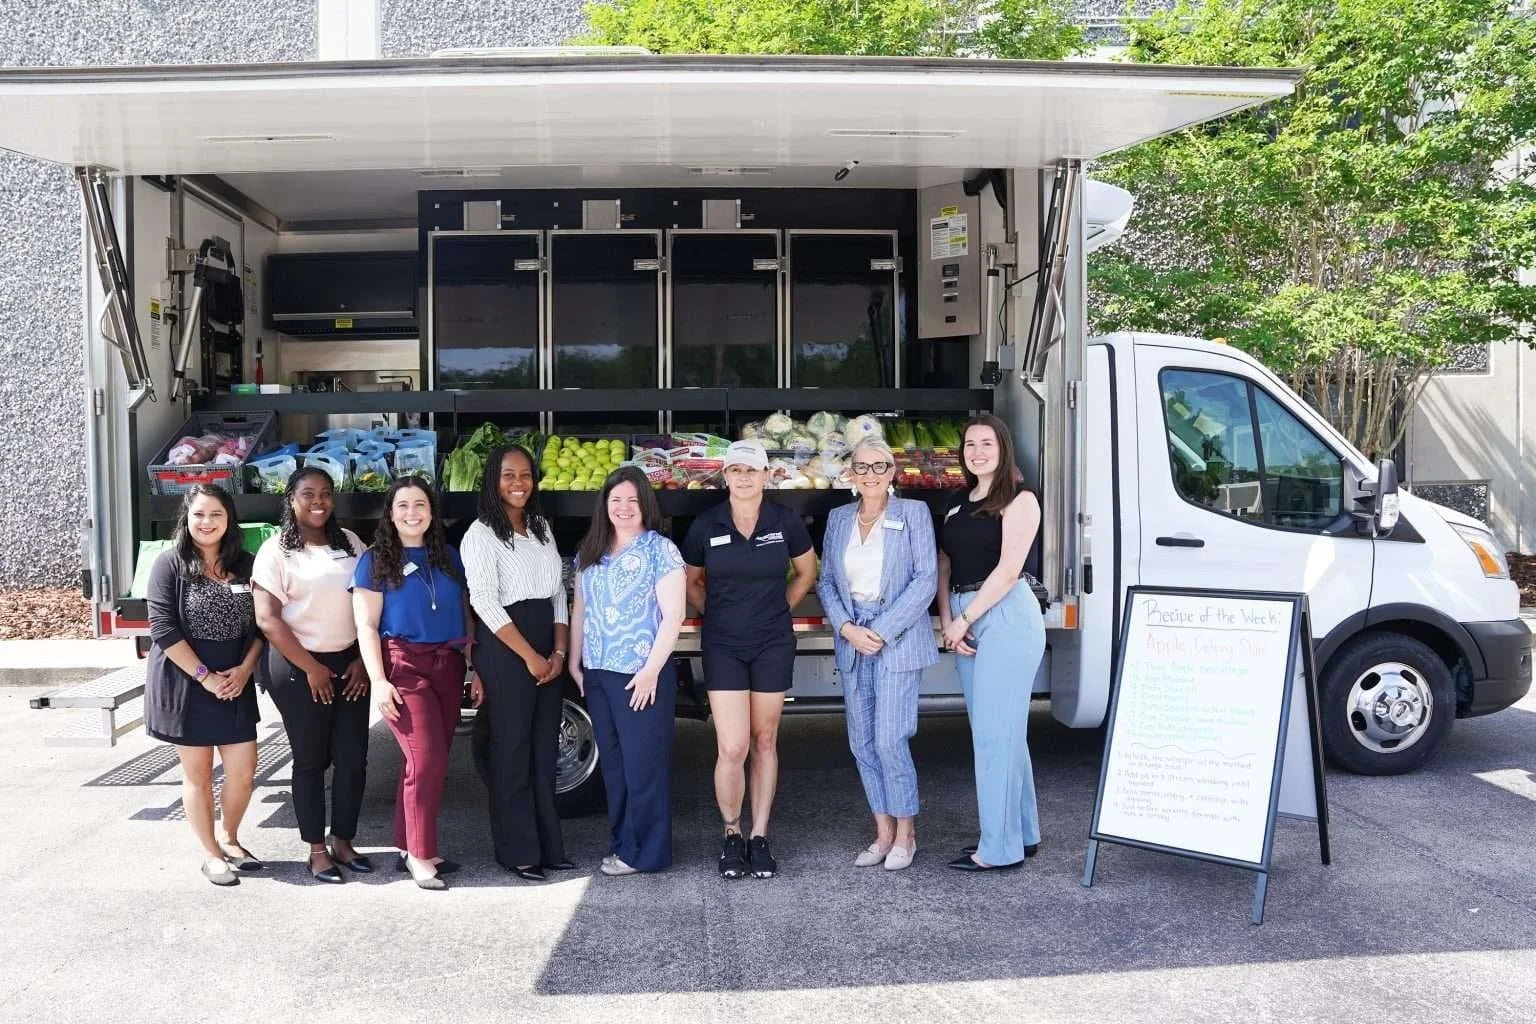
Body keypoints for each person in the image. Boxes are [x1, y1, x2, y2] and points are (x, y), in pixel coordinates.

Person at [681, 438, 818, 879]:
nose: (743, 478)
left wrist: (783, 605)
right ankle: (731, 833)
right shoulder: (706, 525)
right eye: (736, 471)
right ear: (726, 477)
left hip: (772, 641)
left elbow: (806, 570)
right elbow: (691, 580)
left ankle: (759, 835)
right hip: (723, 643)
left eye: (751, 470)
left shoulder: (786, 521)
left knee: (764, 740)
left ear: (766, 476)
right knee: (733, 745)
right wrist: (713, 612)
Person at [815, 437, 938, 871]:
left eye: (879, 466)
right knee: (862, 741)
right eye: (861, 467)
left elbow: (925, 580)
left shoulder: (914, 513)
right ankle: (883, 833)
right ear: (850, 474)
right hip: (853, 635)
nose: (870, 474)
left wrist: (880, 631)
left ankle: (907, 834)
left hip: (896, 637)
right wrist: (847, 628)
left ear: (892, 472)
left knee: (890, 739)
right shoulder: (838, 518)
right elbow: (826, 581)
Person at [251, 467, 371, 884]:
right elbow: (268, 620)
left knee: (353, 757)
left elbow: (370, 603)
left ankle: (343, 840)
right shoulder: (276, 551)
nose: (318, 501)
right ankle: (316, 850)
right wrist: (312, 668)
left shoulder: (352, 543)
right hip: (298, 668)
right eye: (308, 494)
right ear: (291, 499)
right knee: (311, 759)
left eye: (325, 493)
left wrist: (360, 658)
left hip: (350, 663)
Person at [143, 483, 266, 887]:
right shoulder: (170, 564)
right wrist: (206, 678)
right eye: (199, 514)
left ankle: (230, 838)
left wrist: (245, 670)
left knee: (244, 771)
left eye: (216, 514)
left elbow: (264, 626)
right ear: (187, 518)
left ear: (229, 519)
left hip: (235, 681)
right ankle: (210, 853)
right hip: (187, 683)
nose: (207, 522)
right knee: (198, 774)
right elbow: (162, 628)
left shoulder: (248, 566)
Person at [937, 413, 1045, 872]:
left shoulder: (1020, 500)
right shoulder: (958, 502)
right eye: (970, 444)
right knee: (1003, 733)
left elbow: (1007, 571)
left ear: (1003, 450)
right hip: (964, 616)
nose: (977, 451)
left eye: (987, 443)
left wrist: (964, 619)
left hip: (1004, 616)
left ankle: (998, 850)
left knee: (993, 737)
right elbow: (945, 562)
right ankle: (1024, 831)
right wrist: (948, 620)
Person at [352, 477, 471, 891]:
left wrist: (473, 666)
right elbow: (366, 625)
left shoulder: (450, 557)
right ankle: (421, 855)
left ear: (432, 512)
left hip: (449, 665)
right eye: (402, 505)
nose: (411, 513)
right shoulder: (374, 561)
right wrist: (379, 681)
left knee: (423, 762)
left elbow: (466, 614)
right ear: (390, 513)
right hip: (405, 666)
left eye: (420, 504)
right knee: (427, 759)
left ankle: (409, 845)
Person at [460, 444, 570, 882]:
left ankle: (549, 847)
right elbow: (484, 601)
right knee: (511, 749)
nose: (518, 483)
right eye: (508, 475)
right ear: (493, 479)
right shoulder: (480, 534)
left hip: (547, 641)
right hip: (508, 647)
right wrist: (530, 657)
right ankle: (517, 851)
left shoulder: (541, 526)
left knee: (544, 750)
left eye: (525, 474)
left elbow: (559, 591)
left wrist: (558, 653)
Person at [570, 467, 687, 876]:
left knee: (643, 767)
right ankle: (623, 845)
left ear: (645, 506)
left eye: (632, 501)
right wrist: (574, 660)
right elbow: (580, 610)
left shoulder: (661, 550)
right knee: (615, 766)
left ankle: (648, 854)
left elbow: (674, 615)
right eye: (615, 500)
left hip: (641, 675)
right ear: (605, 505)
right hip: (598, 672)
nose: (623, 508)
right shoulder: (590, 552)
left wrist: (653, 671)